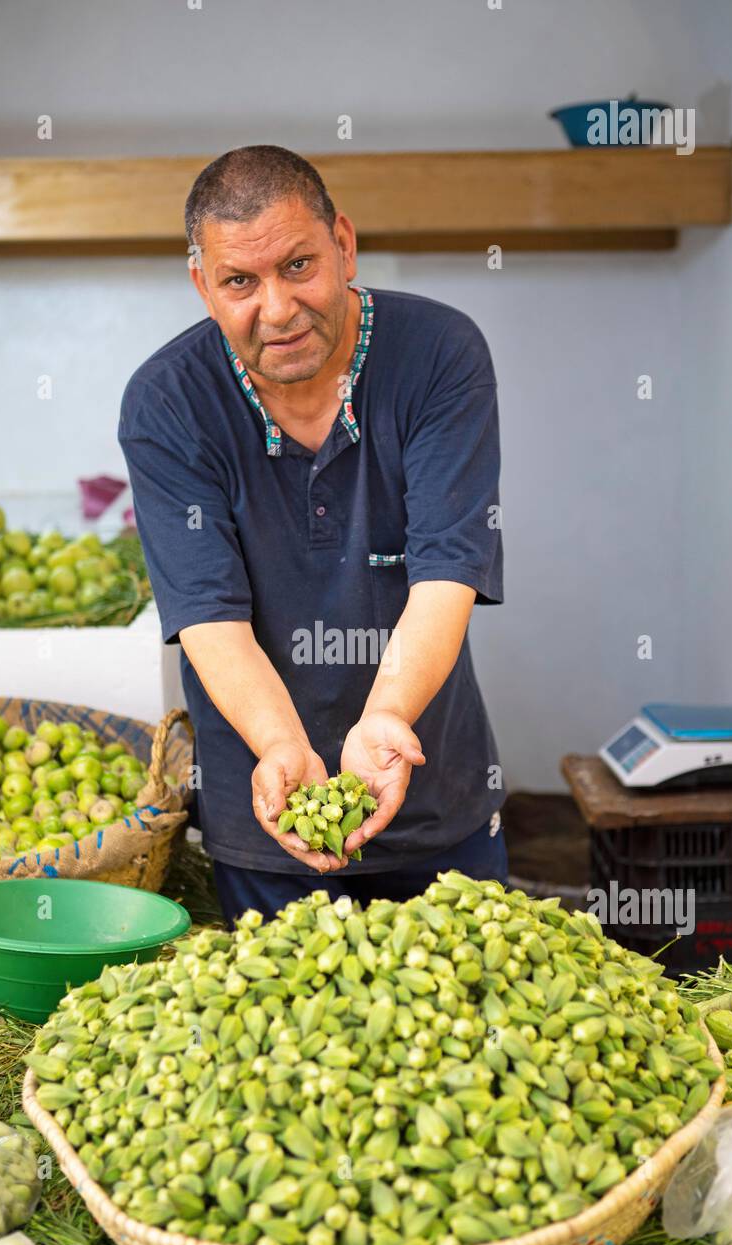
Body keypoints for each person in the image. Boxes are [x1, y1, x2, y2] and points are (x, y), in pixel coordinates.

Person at [119, 145, 506, 924]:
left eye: (298, 265)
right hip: (268, 803)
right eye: (240, 282)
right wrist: (281, 747)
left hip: (436, 795)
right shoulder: (167, 405)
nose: (278, 308)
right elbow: (208, 617)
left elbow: (445, 572)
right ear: (203, 284)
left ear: (344, 243)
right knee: (291, 1032)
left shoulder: (438, 355)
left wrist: (387, 716)